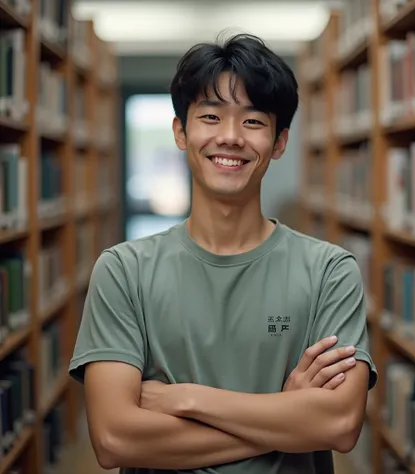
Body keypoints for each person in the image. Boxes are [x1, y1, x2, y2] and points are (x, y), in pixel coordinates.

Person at [69, 32, 377, 474]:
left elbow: (341, 424)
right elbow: (114, 438)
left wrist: (185, 399)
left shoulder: (330, 271)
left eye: (253, 121)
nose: (230, 137)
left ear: (280, 141)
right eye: (211, 116)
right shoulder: (123, 271)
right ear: (181, 131)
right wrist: (285, 413)